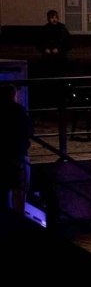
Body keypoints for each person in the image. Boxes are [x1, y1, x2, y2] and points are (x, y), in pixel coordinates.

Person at [1, 83, 32, 214]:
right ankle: (18, 218)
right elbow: (29, 131)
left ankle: (6, 217)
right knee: (19, 190)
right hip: (18, 154)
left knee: (5, 191)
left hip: (4, 154)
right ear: (14, 95)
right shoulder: (19, 110)